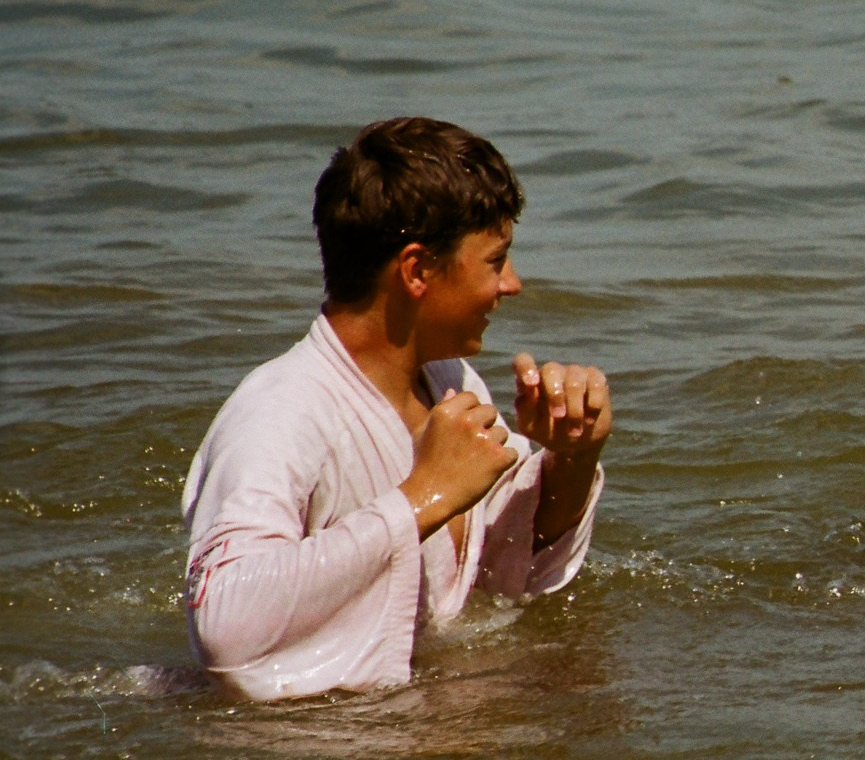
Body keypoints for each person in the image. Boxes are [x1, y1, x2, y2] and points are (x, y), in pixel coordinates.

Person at [181, 118, 613, 700]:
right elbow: (224, 628)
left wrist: (571, 455)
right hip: (307, 751)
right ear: (417, 270)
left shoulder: (449, 380)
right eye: (495, 260)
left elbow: (499, 576)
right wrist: (421, 499)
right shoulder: (279, 412)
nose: (512, 283)